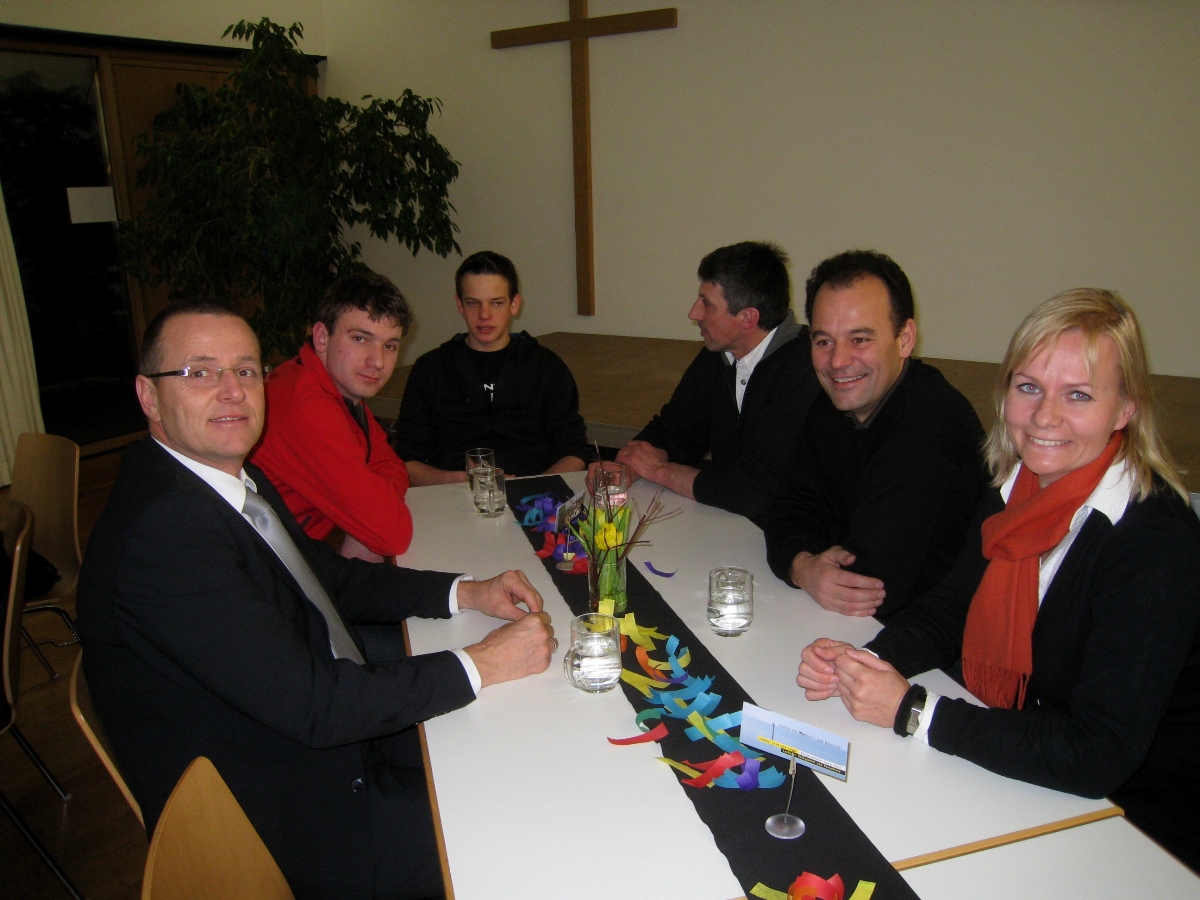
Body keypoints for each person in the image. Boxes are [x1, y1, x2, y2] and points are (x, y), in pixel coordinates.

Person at [76, 299, 556, 899]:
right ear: (149, 396)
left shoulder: (223, 479)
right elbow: (318, 707)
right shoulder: (165, 534)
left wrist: (464, 591)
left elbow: (327, 576)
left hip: (315, 735)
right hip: (291, 813)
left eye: (245, 370)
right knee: (523, 830)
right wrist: (482, 662)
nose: (232, 391)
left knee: (517, 750)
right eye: (200, 372)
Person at [796, 289, 1200, 872]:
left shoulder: (1154, 540)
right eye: (1028, 387)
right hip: (1030, 767)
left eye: (1078, 395)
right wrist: (865, 662)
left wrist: (912, 710)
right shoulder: (1017, 487)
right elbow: (952, 609)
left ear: (1124, 410)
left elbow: (1096, 755)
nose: (1044, 417)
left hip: (1138, 825)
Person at [760, 250, 987, 618]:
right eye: (823, 341)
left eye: (860, 339)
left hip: (930, 637)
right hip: (851, 620)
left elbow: (870, 585)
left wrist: (810, 565)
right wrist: (802, 567)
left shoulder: (930, 426)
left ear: (905, 339)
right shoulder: (836, 405)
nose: (838, 361)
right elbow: (787, 507)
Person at [605, 241, 821, 521]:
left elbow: (754, 492)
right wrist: (628, 469)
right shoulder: (719, 354)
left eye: (706, 303)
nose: (693, 313)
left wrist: (658, 470)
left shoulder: (805, 372)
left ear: (748, 318)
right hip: (729, 520)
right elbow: (676, 430)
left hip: (792, 530)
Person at [251, 272, 414, 563]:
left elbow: (390, 463)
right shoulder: (306, 407)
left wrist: (374, 502)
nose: (377, 361)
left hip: (307, 546)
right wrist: (372, 509)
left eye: (389, 346)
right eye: (360, 339)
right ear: (322, 338)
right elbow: (393, 533)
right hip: (270, 567)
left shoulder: (336, 388)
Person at [391, 251, 589, 484]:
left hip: (535, 494)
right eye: (473, 303)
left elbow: (575, 452)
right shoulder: (431, 369)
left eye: (496, 303)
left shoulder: (545, 366)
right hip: (451, 494)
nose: (484, 315)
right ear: (459, 305)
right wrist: (456, 481)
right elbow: (406, 460)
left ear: (514, 304)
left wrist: (531, 489)